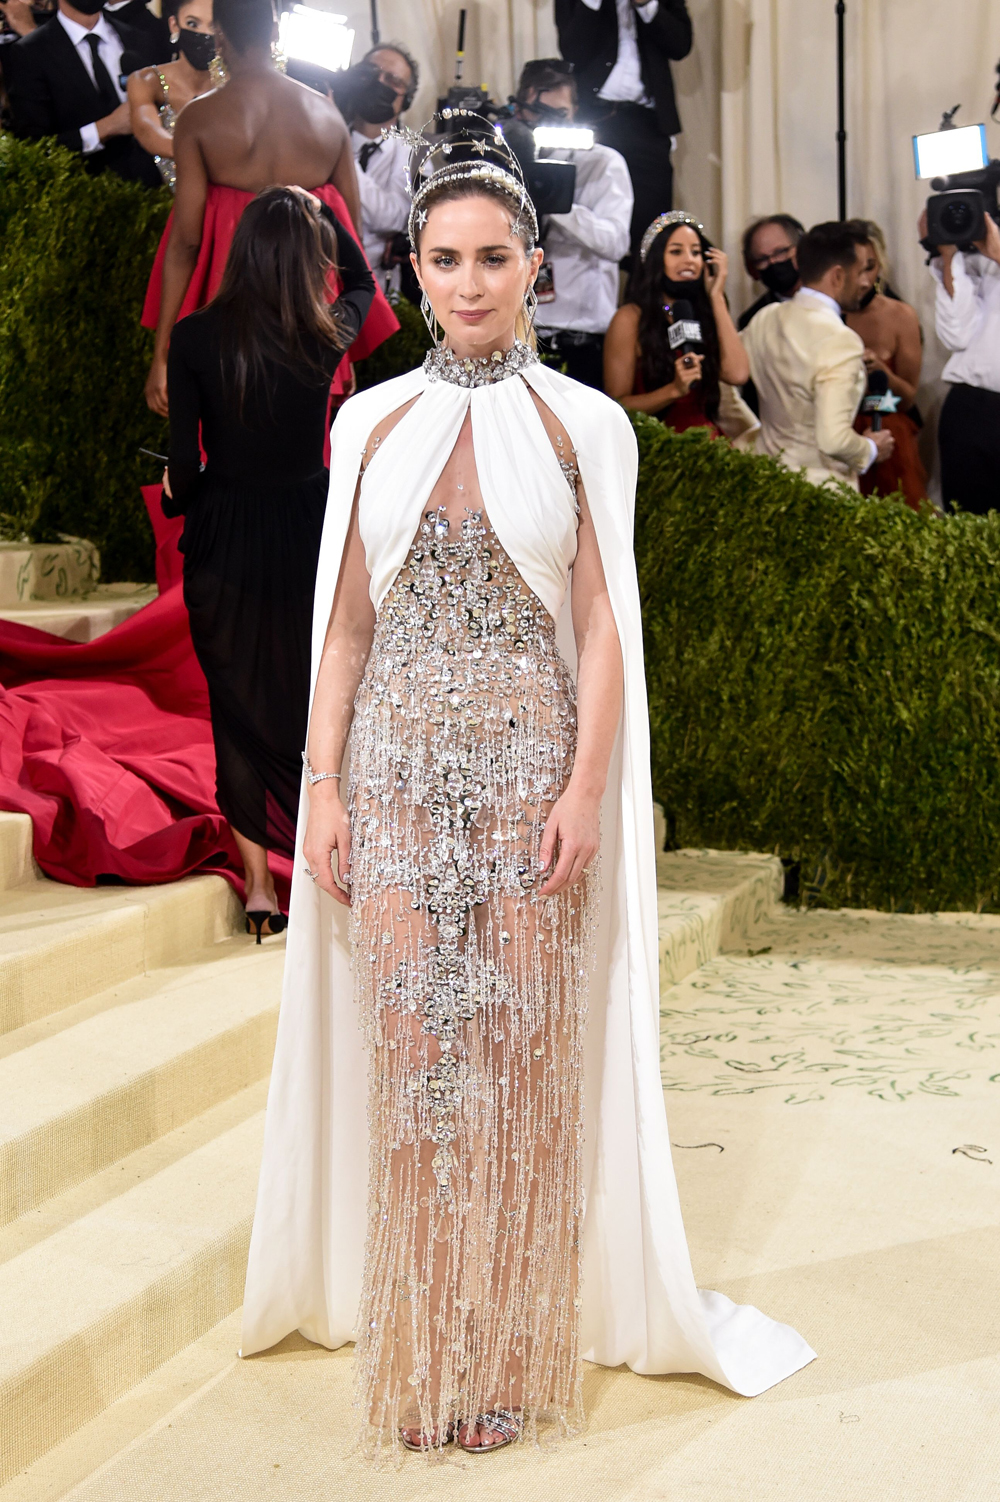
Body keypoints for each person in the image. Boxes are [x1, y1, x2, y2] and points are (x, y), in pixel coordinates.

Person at [239, 118, 814, 1457]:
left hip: (523, 779)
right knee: (414, 1058)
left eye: (495, 257)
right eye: (444, 259)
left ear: (538, 266)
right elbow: (344, 625)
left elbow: (607, 623)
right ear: (414, 268)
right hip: (384, 774)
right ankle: (418, 1338)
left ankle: (498, 1347)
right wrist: (318, 785)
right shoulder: (371, 421)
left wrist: (588, 787)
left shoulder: (587, 426)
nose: (471, 282)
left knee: (513, 1060)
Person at [164, 186, 374, 938]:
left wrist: (170, 489)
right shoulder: (324, 335)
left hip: (226, 532)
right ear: (309, 256)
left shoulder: (193, 338)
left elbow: (184, 470)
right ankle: (335, 852)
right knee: (315, 694)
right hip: (308, 531)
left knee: (237, 709)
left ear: (243, 248)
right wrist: (331, 219)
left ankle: (259, 887)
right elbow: (364, 284)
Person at [142, 0, 397, 418]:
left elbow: (185, 244)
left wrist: (163, 354)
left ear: (220, 35)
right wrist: (344, 350)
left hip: (227, 320)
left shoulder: (199, 118)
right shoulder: (327, 115)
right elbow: (348, 238)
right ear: (276, 32)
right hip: (313, 328)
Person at [741, 219, 895, 489]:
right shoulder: (841, 341)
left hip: (765, 482)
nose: (865, 282)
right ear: (837, 276)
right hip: (819, 494)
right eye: (860, 272)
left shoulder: (765, 317)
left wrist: (749, 433)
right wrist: (870, 448)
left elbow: (724, 373)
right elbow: (833, 439)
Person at [514, 56, 632, 389]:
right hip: (522, 335)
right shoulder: (508, 160)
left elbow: (615, 244)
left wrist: (557, 201)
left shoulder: (603, 162)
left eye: (560, 114)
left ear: (575, 112)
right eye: (540, 113)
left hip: (585, 338)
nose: (550, 123)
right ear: (520, 110)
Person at [555, 0, 692, 263]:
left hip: (646, 122)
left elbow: (680, 45)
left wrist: (646, 5)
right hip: (595, 121)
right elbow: (572, 51)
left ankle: (645, 302)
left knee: (652, 231)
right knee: (594, 222)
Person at [603, 209, 755, 438]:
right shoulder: (630, 318)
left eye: (696, 253)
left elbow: (737, 374)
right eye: (676, 252)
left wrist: (716, 297)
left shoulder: (705, 312)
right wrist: (673, 390)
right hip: (657, 447)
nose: (689, 260)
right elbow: (617, 405)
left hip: (707, 442)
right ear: (655, 261)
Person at [3, 0, 164, 185]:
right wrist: (106, 128)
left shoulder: (139, 37)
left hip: (155, 189)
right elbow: (35, 147)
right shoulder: (29, 53)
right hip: (83, 192)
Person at [846, 220, 927, 512]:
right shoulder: (822, 314)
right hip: (837, 438)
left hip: (890, 437)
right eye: (857, 269)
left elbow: (908, 397)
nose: (864, 280)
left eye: (870, 267)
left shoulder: (901, 315)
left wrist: (880, 370)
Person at [924, 209, 1000, 515]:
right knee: (966, 528)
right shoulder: (985, 242)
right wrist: (947, 253)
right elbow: (957, 335)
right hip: (971, 407)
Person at [347, 42, 416, 295]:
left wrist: (341, 152)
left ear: (405, 100)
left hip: (377, 293)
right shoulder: (319, 136)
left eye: (393, 81)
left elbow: (393, 218)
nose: (379, 83)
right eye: (372, 72)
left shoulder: (413, 154)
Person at [127, 0, 214, 191]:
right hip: (158, 205)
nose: (205, 34)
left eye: (213, 26)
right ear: (174, 24)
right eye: (193, 24)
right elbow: (146, 131)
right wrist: (202, 153)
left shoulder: (235, 85)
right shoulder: (147, 80)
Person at [737, 213, 805, 332]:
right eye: (762, 259)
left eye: (780, 252)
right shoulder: (753, 320)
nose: (773, 262)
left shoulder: (834, 300)